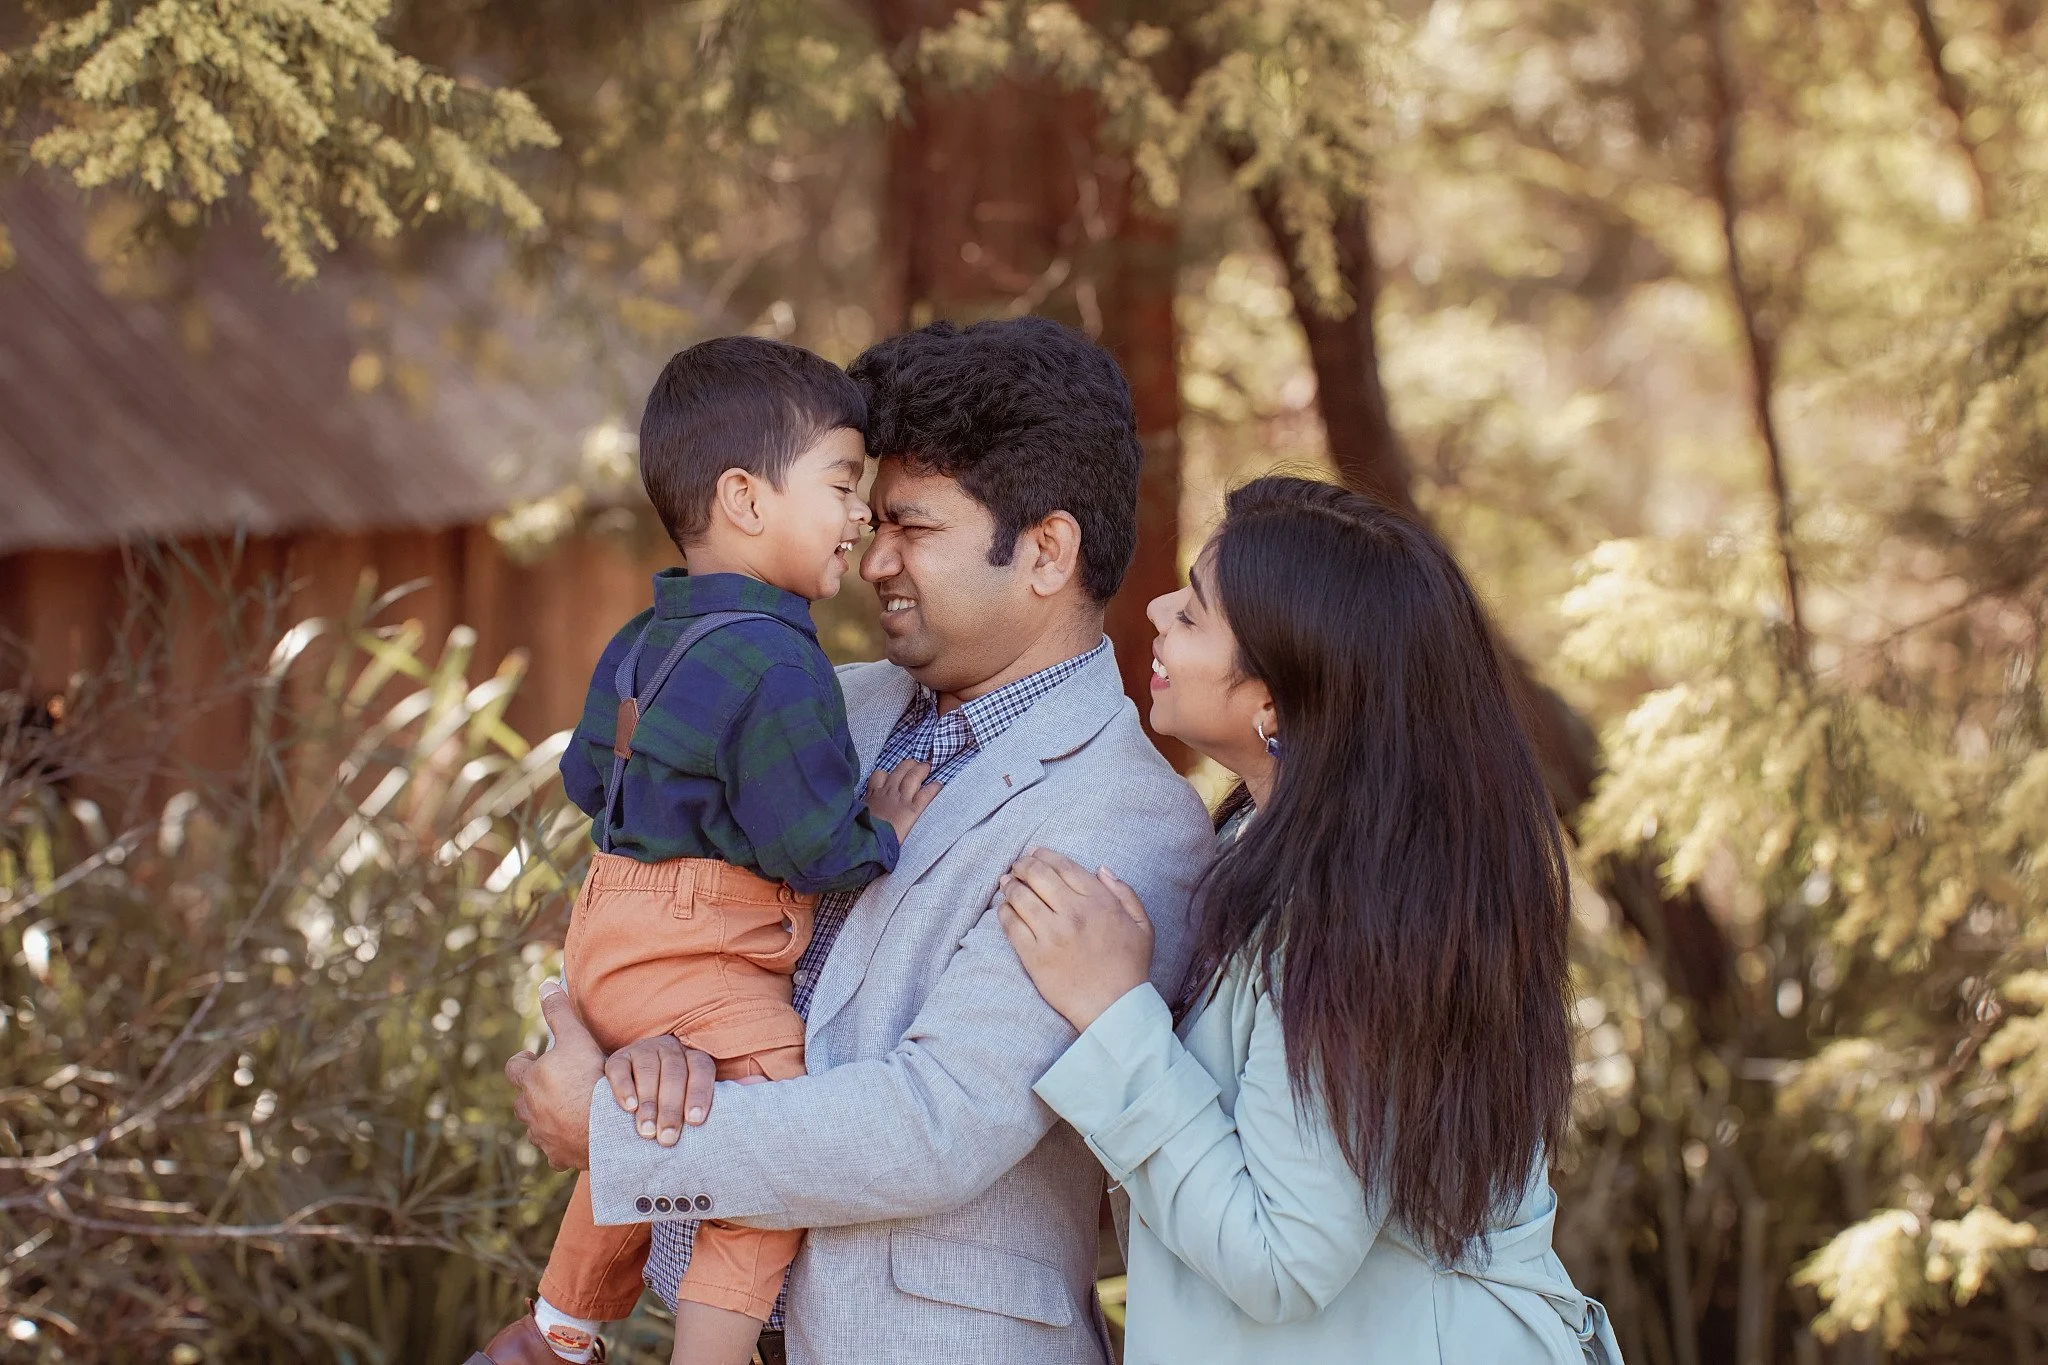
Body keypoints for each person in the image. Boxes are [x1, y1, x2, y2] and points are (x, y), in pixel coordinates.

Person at [506, 317, 1214, 1365]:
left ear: (1046, 552)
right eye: (867, 516)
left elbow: (937, 1125)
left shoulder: (1126, 820)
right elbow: (671, 910)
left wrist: (613, 1140)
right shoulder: (819, 702)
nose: (871, 557)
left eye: (912, 528)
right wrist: (646, 1048)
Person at [996, 475, 1625, 1364]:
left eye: (1198, 612)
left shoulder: (1358, 916)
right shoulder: (1301, 854)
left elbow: (1284, 1259)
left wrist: (1112, 1016)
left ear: (1279, 703)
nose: (1159, 611)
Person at [472, 337, 944, 1365]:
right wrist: (883, 832)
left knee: (649, 1131)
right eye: (840, 486)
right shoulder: (779, 661)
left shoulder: (643, 636)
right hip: (701, 947)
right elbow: (808, 843)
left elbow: (586, 782)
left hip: (607, 933)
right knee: (765, 1141)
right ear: (744, 497)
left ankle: (560, 1327)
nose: (859, 518)